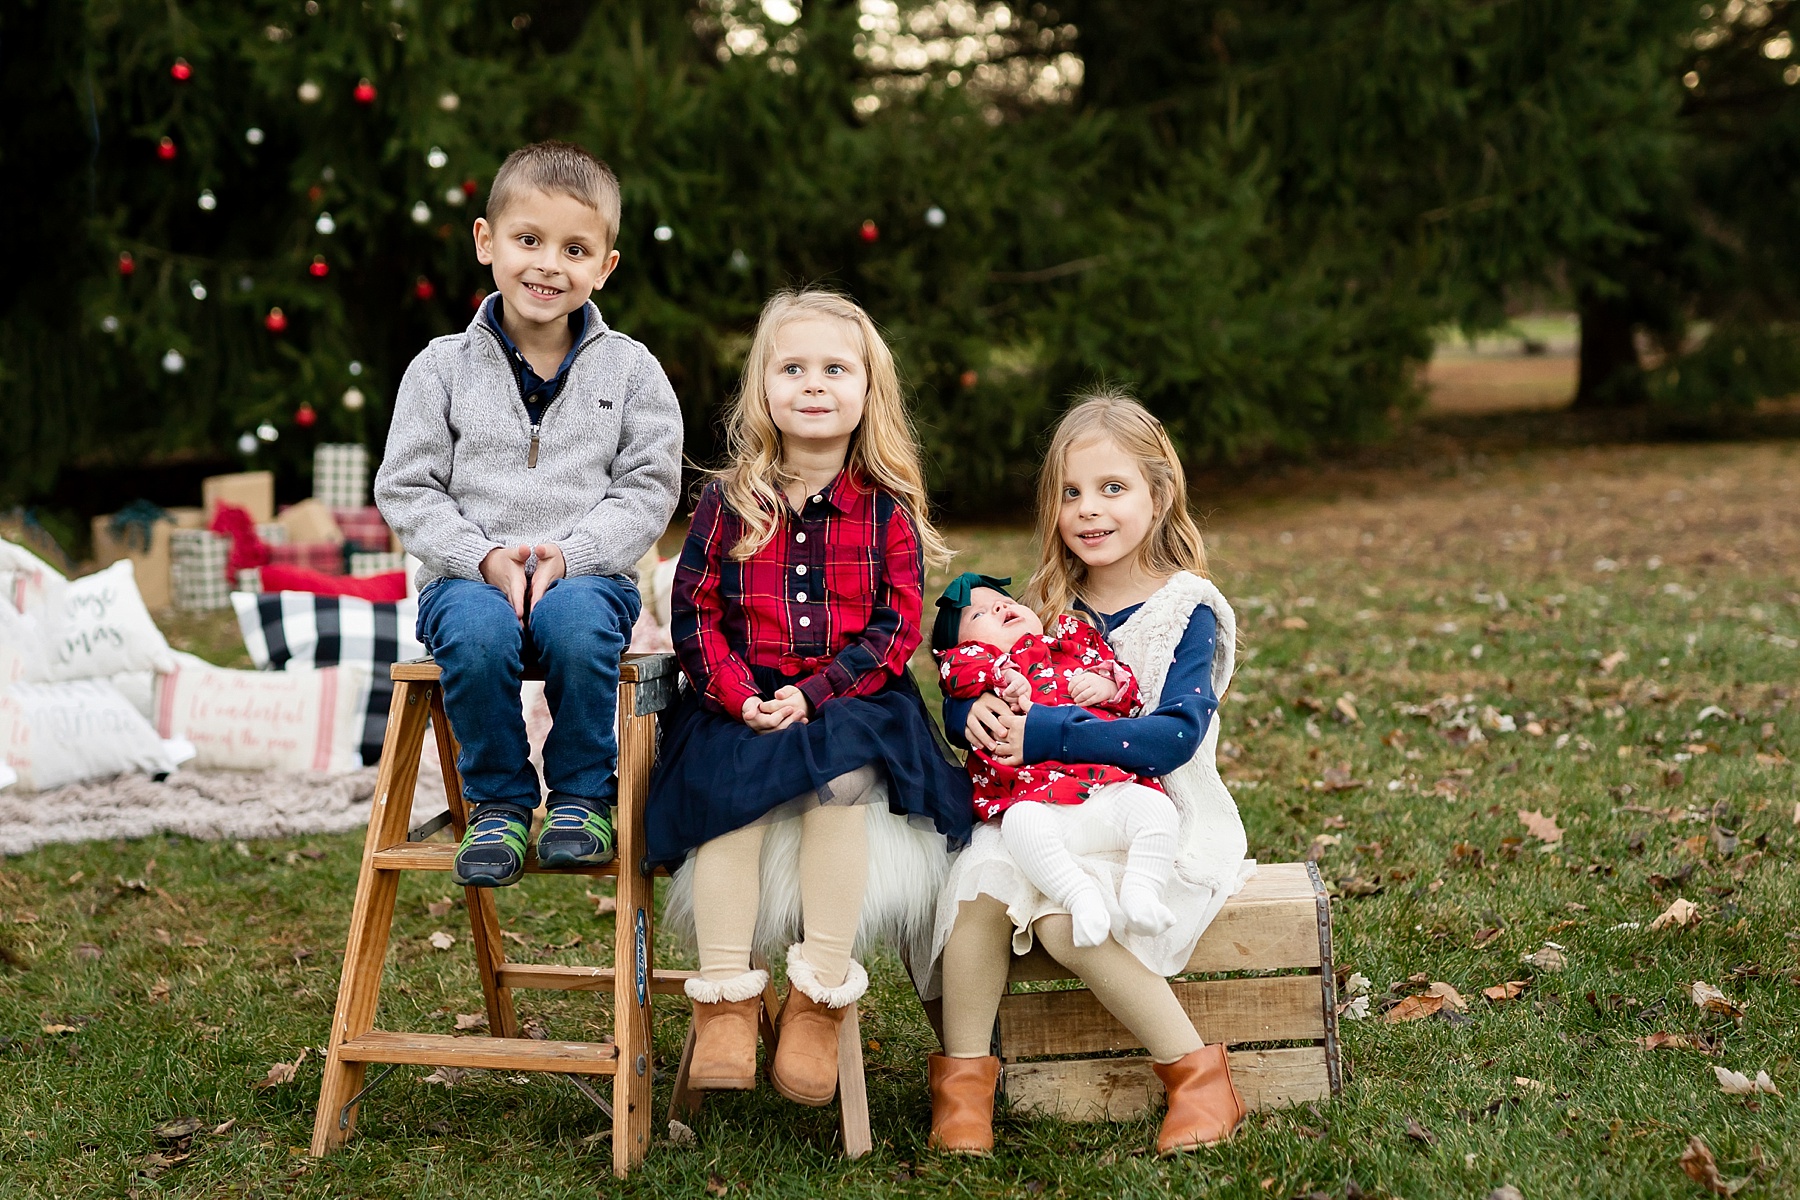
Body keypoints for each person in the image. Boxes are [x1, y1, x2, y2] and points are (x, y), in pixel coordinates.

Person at [646, 289, 971, 1109]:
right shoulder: (728, 501)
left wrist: (813, 692)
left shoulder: (885, 511)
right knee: (732, 795)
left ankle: (820, 997)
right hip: (739, 698)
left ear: (869, 391)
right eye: (793, 368)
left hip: (851, 701)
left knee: (843, 784)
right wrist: (736, 693)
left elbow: (896, 631)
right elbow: (693, 612)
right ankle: (725, 996)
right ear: (764, 389)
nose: (814, 384)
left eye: (835, 368)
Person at [926, 392, 1252, 1157]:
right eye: (1071, 493)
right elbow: (970, 677)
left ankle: (1197, 1077)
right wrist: (964, 717)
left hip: (1152, 814)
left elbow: (1172, 737)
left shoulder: (1187, 609)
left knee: (1066, 924)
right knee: (978, 891)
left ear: (1158, 495)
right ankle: (964, 1089)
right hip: (1041, 812)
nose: (1089, 510)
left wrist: (1039, 732)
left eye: (1113, 489)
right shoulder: (1048, 603)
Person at [376, 141, 682, 887]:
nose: (549, 264)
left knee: (578, 627)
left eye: (575, 249)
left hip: (587, 576)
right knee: (476, 639)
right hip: (468, 576)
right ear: (487, 243)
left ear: (604, 266)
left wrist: (571, 555)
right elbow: (407, 487)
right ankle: (501, 804)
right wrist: (480, 556)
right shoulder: (440, 367)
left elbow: (648, 488)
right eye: (528, 241)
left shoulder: (633, 371)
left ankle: (582, 795)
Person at [932, 574, 1180, 947]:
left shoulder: (1071, 638)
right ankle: (1078, 896)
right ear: (962, 643)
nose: (1000, 606)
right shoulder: (975, 665)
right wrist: (999, 676)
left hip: (1106, 785)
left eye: (1005, 601)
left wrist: (1108, 685)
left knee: (1158, 811)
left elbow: (1128, 689)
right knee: (1020, 825)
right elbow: (955, 671)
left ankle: (1142, 890)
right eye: (979, 613)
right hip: (1035, 801)